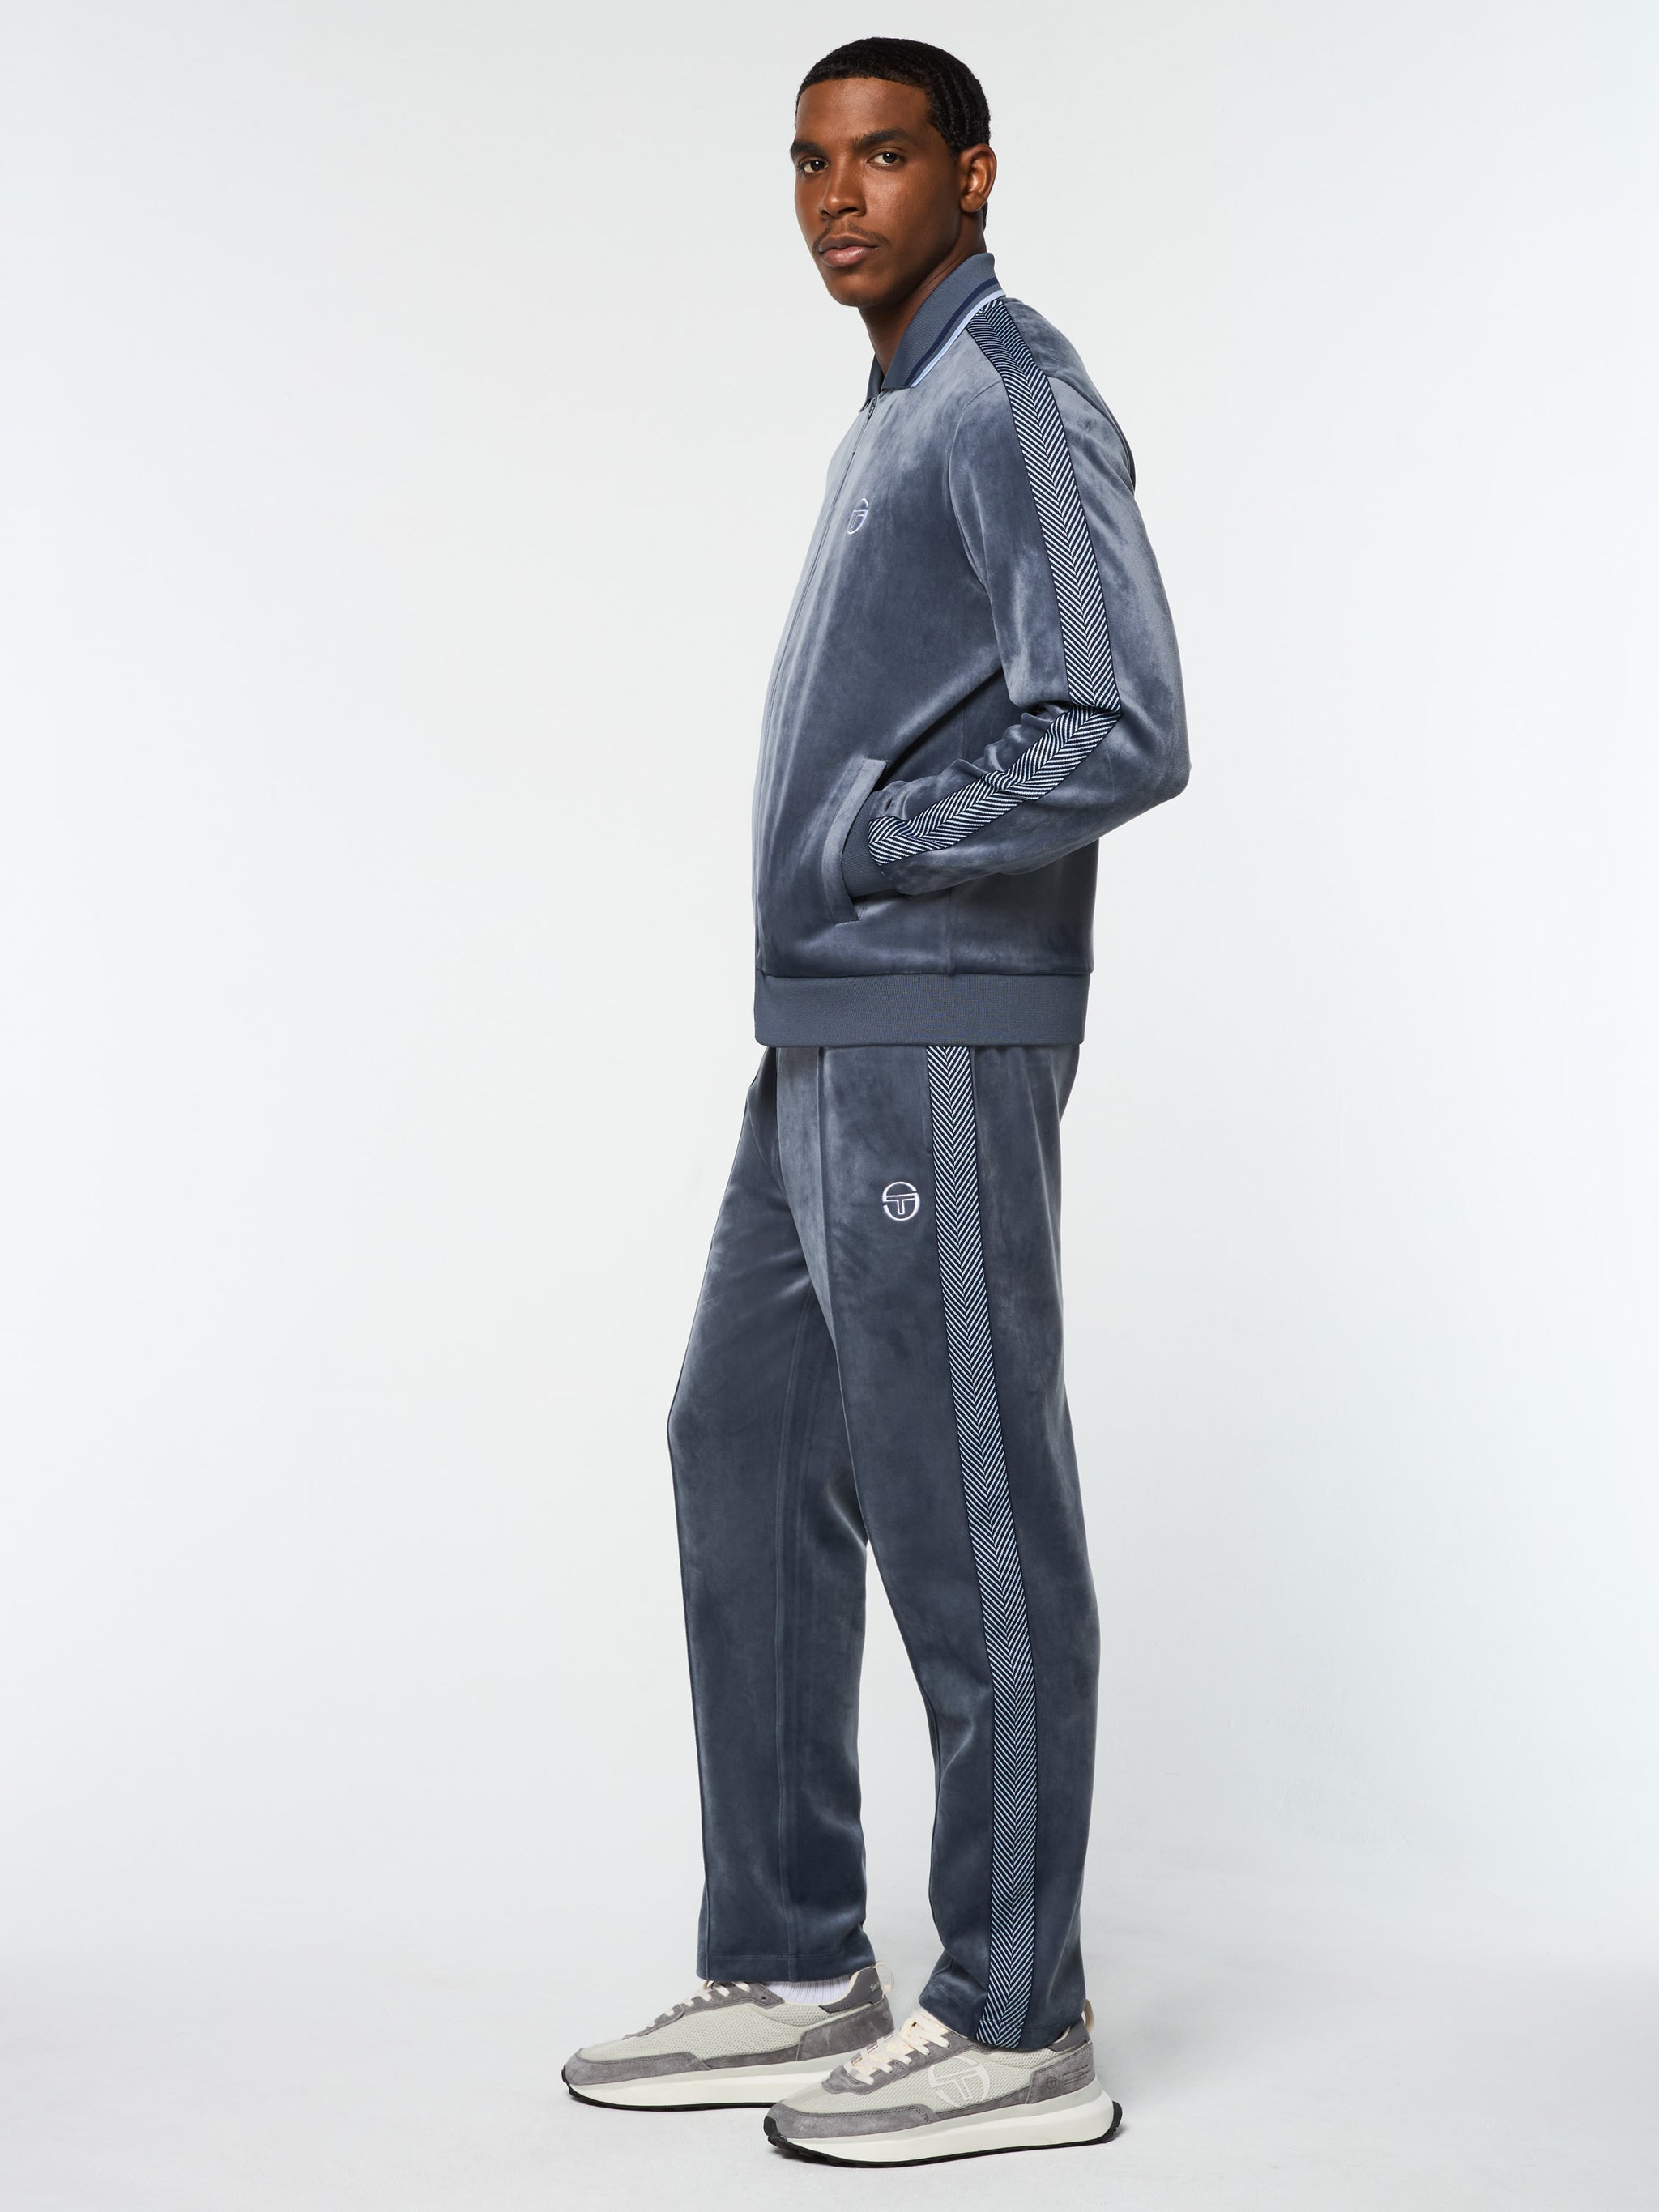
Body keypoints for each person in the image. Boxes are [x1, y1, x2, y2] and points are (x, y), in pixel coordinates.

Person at [564, 36, 1188, 2165]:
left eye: (887, 156)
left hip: (937, 1025)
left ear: (973, 174)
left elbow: (1122, 717)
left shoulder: (1009, 390)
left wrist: (874, 835)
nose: (841, 197)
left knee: (961, 1489)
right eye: (813, 163)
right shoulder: (899, 403)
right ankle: (787, 1956)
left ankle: (1016, 2010)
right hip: (825, 1030)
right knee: (740, 1440)